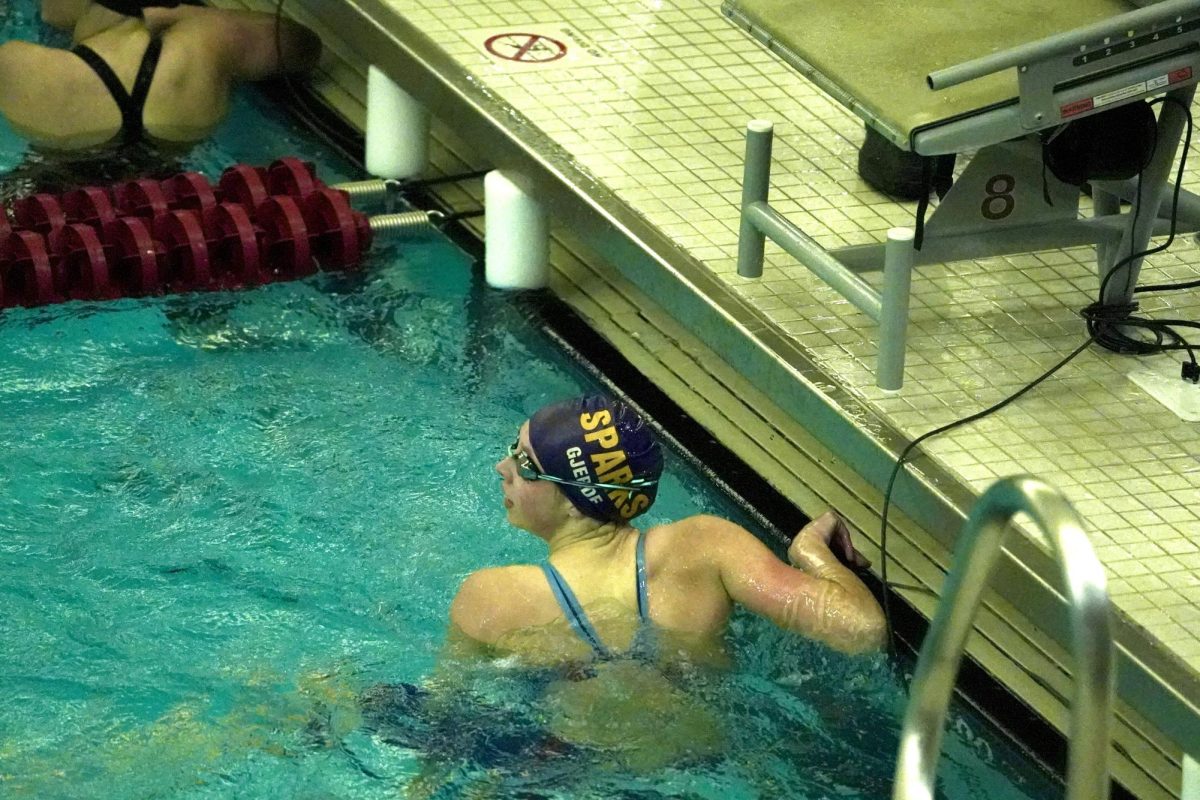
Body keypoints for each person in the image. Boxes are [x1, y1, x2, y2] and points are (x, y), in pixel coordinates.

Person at [448, 394, 887, 668]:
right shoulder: (706, 546)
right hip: (702, 761)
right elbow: (861, 632)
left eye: (525, 464)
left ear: (575, 500)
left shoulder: (493, 596)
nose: (502, 469)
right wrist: (811, 551)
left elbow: (445, 726)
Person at [0, 0, 322, 151]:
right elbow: (305, 47)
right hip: (166, 226)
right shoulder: (206, 47)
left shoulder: (20, 63)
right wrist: (184, 14)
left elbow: (50, 15)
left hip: (43, 223)